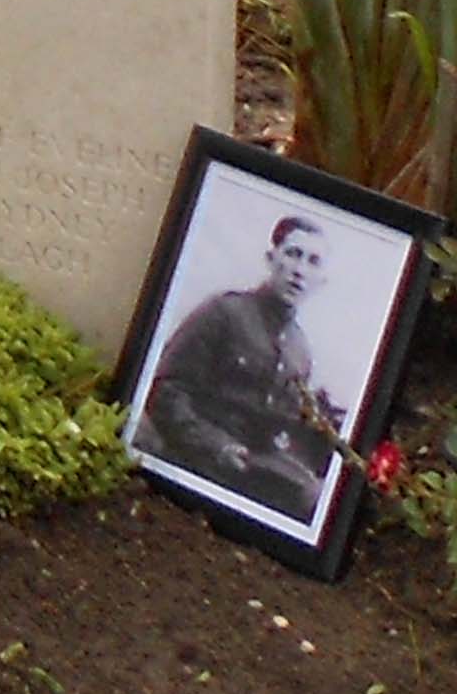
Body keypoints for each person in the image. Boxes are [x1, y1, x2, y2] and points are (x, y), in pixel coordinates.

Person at [134, 215, 345, 518]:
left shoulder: (300, 352)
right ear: (271, 258)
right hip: (193, 456)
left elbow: (280, 432)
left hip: (253, 472)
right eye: (293, 254)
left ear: (321, 281)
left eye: (313, 262)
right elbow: (165, 392)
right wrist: (215, 445)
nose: (299, 270)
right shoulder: (224, 313)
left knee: (317, 499)